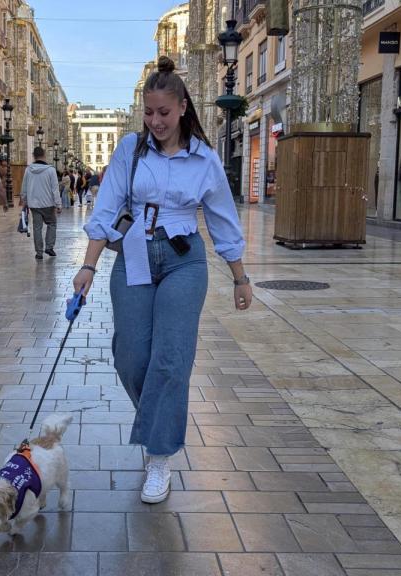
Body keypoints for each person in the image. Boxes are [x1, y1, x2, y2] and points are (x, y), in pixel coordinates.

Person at [73, 56, 251, 505]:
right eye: (148, 113)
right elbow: (107, 210)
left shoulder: (205, 159)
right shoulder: (130, 149)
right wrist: (88, 266)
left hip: (183, 261)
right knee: (131, 359)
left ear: (183, 108)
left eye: (164, 113)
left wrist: (240, 277)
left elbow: (223, 221)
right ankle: (159, 422)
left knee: (171, 360)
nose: (155, 121)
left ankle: (158, 456)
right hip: (133, 254)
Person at [21, 146, 61, 259]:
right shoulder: (51, 170)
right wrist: (58, 204)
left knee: (37, 228)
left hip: (34, 204)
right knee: (52, 224)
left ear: (34, 156)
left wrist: (24, 200)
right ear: (44, 155)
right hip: (48, 204)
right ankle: (49, 247)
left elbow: (24, 186)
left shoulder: (28, 169)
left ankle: (39, 252)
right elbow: (55, 189)